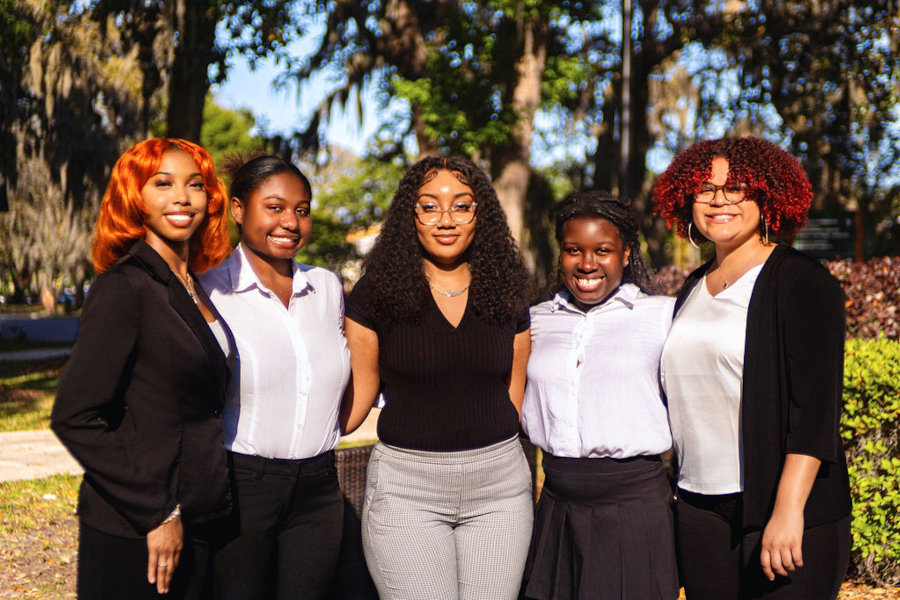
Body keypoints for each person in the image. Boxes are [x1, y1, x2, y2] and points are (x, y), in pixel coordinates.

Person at [653, 136, 851, 599]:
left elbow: (815, 414)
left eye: (736, 188)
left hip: (784, 513)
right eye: (705, 188)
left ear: (767, 197)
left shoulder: (803, 282)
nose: (719, 199)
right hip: (699, 509)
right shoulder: (692, 288)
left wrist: (787, 511)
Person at [341, 156, 534, 600]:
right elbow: (358, 397)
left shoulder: (507, 289)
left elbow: (514, 393)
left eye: (461, 206)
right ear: (410, 216)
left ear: (480, 215)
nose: (446, 219)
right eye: (429, 207)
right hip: (406, 491)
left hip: (499, 490)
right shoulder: (377, 294)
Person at [51, 138, 234, 599]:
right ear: (135, 196)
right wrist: (158, 512)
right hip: (139, 529)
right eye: (163, 184)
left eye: (195, 185)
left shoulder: (193, 286)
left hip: (200, 517)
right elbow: (75, 417)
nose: (182, 197)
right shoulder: (125, 286)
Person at [200, 155, 349, 599]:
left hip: (319, 490)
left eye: (302, 210)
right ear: (238, 209)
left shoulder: (327, 287)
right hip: (242, 487)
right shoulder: (209, 291)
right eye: (275, 207)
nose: (290, 222)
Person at [519, 192, 678, 600]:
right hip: (556, 504)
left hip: (634, 507)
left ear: (625, 254)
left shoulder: (662, 316)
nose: (587, 264)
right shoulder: (535, 321)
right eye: (574, 250)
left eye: (602, 251)